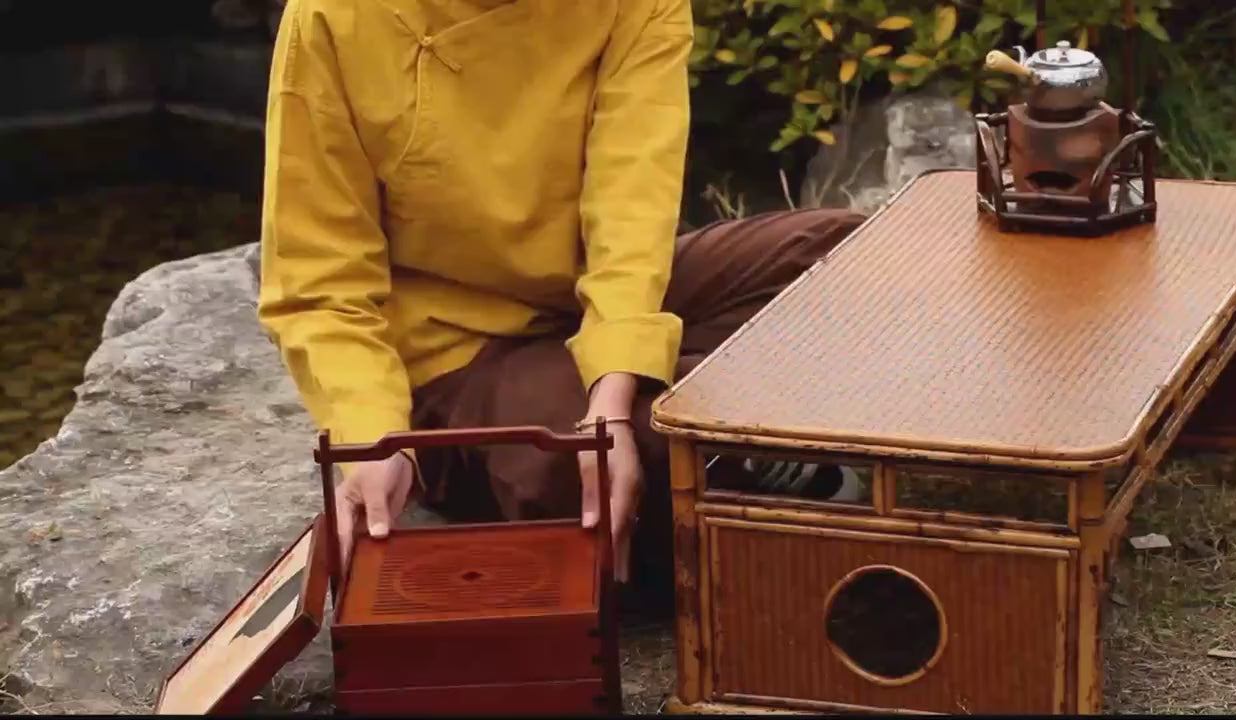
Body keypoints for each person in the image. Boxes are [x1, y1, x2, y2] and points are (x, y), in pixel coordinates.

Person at [257, 0, 866, 607]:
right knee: (593, 471)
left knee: (861, 257)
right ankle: (742, 447)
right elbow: (322, 280)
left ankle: (721, 447)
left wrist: (612, 396)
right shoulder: (332, 17)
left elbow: (632, 200)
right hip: (461, 348)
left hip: (601, 295)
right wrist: (375, 443)